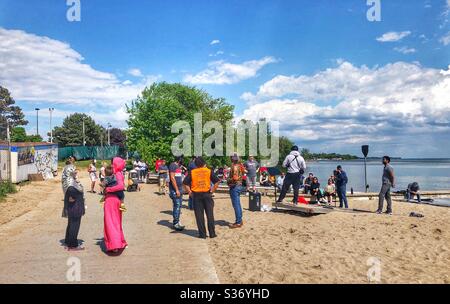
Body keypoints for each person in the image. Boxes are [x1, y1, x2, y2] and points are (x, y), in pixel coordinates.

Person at [183, 157, 221, 239]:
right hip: (207, 194)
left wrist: (189, 192)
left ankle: (202, 234)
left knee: (199, 216)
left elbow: (185, 183)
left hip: (196, 195)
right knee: (210, 215)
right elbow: (217, 181)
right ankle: (212, 233)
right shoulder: (208, 171)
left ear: (196, 164)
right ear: (204, 163)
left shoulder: (192, 172)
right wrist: (212, 190)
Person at [103, 157, 128, 253]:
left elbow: (121, 186)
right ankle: (120, 242)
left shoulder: (117, 173)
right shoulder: (119, 173)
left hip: (111, 200)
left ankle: (114, 245)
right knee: (116, 222)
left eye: (113, 163)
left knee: (111, 222)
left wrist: (108, 189)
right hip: (116, 200)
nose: (112, 165)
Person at [62, 167, 85, 251]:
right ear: (70, 171)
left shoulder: (69, 180)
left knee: (71, 224)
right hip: (75, 206)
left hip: (72, 206)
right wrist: (74, 196)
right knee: (74, 225)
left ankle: (68, 241)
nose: (76, 172)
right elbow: (72, 191)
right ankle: (72, 245)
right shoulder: (70, 182)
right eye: (74, 170)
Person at [227, 153, 246, 228]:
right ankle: (240, 221)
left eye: (230, 157)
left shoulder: (234, 166)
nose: (230, 158)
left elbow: (234, 178)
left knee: (236, 205)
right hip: (239, 185)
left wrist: (228, 180)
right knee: (238, 204)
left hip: (234, 186)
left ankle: (238, 222)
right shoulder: (240, 165)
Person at [169, 156, 185, 231]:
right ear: (179, 159)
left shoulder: (178, 166)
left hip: (180, 189)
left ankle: (177, 221)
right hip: (175, 190)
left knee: (179, 206)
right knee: (177, 205)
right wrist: (177, 190)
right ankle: (175, 223)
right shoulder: (172, 165)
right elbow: (172, 178)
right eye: (182, 159)